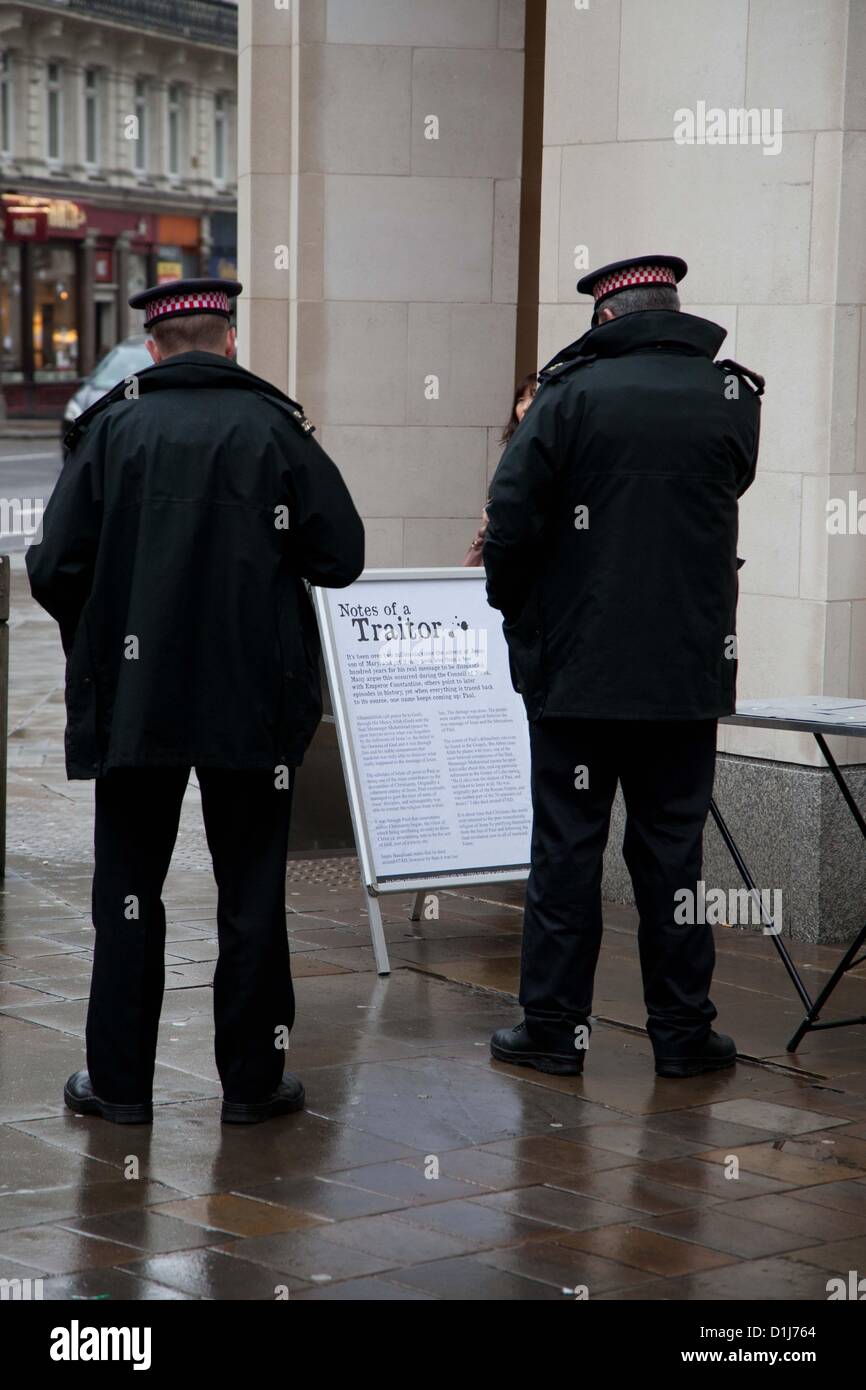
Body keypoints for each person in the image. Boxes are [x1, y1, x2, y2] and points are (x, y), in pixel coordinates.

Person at [27, 277, 364, 1125]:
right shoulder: (275, 429)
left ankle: (120, 1086)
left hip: (140, 702)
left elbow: (55, 567)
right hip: (253, 701)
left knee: (129, 892)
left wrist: (107, 632)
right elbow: (341, 556)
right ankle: (253, 1085)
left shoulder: (113, 430)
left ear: (152, 346)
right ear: (231, 341)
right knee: (253, 894)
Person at [483, 255, 763, 1080]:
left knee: (568, 849)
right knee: (674, 854)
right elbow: (726, 488)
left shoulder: (569, 397)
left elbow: (509, 517)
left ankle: (553, 1031)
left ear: (607, 318)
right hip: (683, 673)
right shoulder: (731, 397)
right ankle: (681, 1032)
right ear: (672, 310)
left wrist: (516, 606)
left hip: (578, 676)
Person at [463, 373, 537, 567]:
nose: (526, 406)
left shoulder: (541, 451)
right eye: (520, 400)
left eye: (534, 397)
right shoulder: (514, 449)